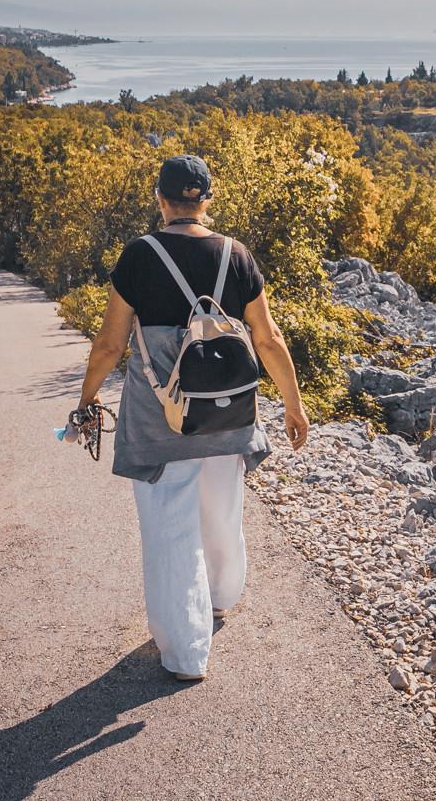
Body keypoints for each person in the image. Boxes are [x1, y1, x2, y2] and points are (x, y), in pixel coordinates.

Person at [76, 154, 310, 681]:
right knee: (222, 506)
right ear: (207, 198)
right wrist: (293, 405)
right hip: (228, 411)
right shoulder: (237, 254)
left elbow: (110, 344)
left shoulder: (139, 255)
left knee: (168, 525)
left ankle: (184, 650)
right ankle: (222, 596)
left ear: (160, 199)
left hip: (162, 417)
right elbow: (268, 339)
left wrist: (87, 398)